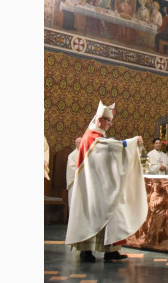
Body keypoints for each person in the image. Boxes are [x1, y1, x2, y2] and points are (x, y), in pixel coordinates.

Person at [66, 101, 147, 263]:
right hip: (91, 186)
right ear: (99, 120)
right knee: (93, 215)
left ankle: (111, 251)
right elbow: (108, 148)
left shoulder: (98, 136)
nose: (110, 124)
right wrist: (130, 142)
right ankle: (85, 251)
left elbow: (107, 153)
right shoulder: (90, 137)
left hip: (101, 185)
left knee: (112, 213)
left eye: (110, 121)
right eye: (108, 121)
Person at [66, 137, 82, 205]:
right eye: (79, 142)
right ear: (75, 144)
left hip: (83, 182)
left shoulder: (86, 154)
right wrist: (82, 171)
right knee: (74, 203)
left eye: (82, 142)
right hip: (74, 182)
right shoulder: (72, 155)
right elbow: (71, 168)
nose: (80, 144)